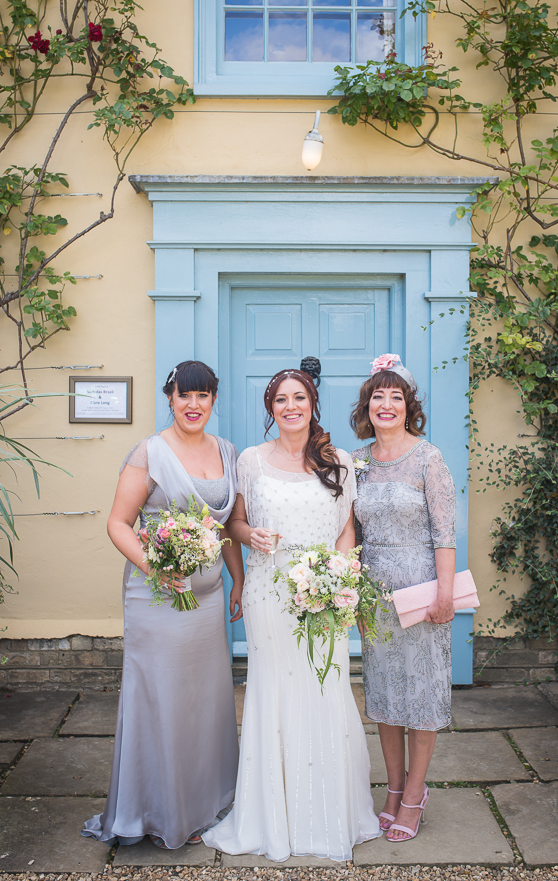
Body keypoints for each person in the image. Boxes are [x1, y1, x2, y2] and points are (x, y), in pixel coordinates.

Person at [202, 359, 381, 862]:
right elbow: (232, 524)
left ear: (312, 405)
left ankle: (325, 813)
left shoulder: (339, 461)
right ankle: (270, 815)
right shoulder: (252, 461)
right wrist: (249, 533)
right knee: (273, 694)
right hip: (266, 593)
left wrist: (339, 578)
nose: (290, 407)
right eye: (280, 399)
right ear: (270, 409)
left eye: (298, 398)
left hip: (322, 597)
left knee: (324, 689)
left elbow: (347, 528)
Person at [82, 360, 244, 850]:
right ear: (169, 399)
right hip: (158, 596)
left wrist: (239, 580)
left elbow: (227, 527)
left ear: (214, 400)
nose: (193, 405)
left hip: (209, 596)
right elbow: (118, 523)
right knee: (164, 699)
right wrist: (157, 570)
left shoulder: (227, 451)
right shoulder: (149, 452)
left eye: (203, 396)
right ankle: (158, 810)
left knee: (205, 701)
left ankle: (204, 802)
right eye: (183, 396)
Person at [350, 353, 456, 843]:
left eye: (396, 397)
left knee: (423, 696)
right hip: (374, 596)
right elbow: (347, 534)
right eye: (378, 396)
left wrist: (445, 595)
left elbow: (445, 533)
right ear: (367, 406)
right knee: (386, 697)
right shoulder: (358, 463)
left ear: (408, 406)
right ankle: (391, 792)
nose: (386, 404)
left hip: (422, 591)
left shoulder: (429, 458)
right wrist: (348, 593)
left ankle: (415, 794)